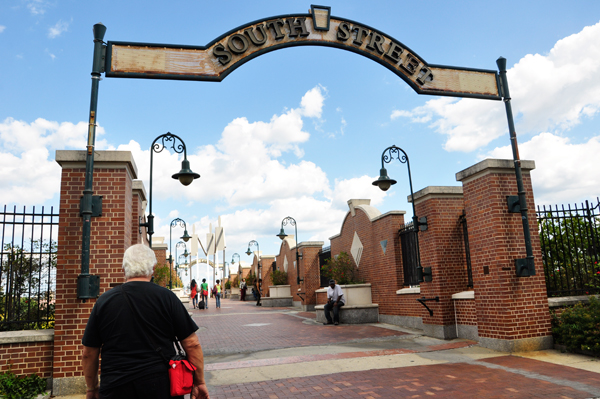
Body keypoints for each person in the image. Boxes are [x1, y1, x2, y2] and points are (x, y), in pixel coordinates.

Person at [81, 244, 210, 399]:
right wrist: (199, 382)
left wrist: (92, 388)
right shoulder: (167, 298)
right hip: (161, 385)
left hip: (116, 386)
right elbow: (192, 344)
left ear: (124, 269)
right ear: (153, 268)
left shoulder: (104, 302)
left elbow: (89, 353)